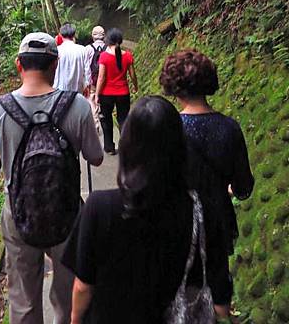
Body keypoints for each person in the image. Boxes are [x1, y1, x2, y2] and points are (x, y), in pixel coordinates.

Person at [62, 96, 233, 324]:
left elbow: (83, 285)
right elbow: (219, 290)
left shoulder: (99, 207)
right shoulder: (202, 209)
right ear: (179, 147)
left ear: (128, 147)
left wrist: (74, 319)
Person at [0, 32, 103, 324]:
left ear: (19, 65)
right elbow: (96, 157)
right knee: (68, 293)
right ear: (55, 65)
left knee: (23, 297)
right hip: (67, 211)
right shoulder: (77, 106)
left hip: (17, 212)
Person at [159, 49, 254, 256]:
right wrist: (227, 189)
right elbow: (244, 186)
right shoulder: (229, 127)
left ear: (173, 87)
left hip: (177, 222)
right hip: (218, 222)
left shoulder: (167, 128)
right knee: (215, 278)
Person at [95, 27, 137, 154]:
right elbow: (133, 75)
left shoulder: (104, 57)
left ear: (108, 40)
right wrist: (135, 86)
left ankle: (109, 147)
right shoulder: (128, 56)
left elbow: (101, 78)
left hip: (106, 94)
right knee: (123, 119)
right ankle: (126, 146)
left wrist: (97, 94)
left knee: (106, 120)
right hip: (123, 92)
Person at [54, 23, 90, 94]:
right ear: (74, 35)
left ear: (60, 35)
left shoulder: (57, 50)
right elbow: (87, 71)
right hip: (77, 91)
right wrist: (87, 85)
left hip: (59, 90)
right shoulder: (82, 50)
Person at [84, 25, 106, 133]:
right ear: (104, 36)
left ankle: (96, 123)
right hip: (106, 80)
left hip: (93, 79)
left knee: (92, 100)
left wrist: (87, 81)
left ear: (93, 36)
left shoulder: (88, 49)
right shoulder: (108, 48)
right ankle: (104, 117)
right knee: (104, 98)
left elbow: (86, 66)